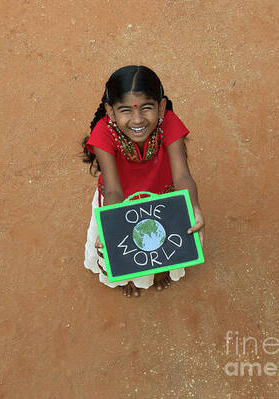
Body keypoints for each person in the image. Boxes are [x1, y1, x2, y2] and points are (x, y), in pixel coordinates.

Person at [82, 65, 205, 298]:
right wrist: (111, 225)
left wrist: (194, 207)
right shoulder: (102, 133)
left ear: (161, 107)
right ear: (110, 110)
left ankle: (159, 272)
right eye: (125, 110)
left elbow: (182, 176)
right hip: (119, 204)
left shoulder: (168, 122)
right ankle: (126, 276)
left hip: (163, 198)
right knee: (124, 251)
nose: (137, 120)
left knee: (162, 245)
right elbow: (114, 191)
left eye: (146, 108)